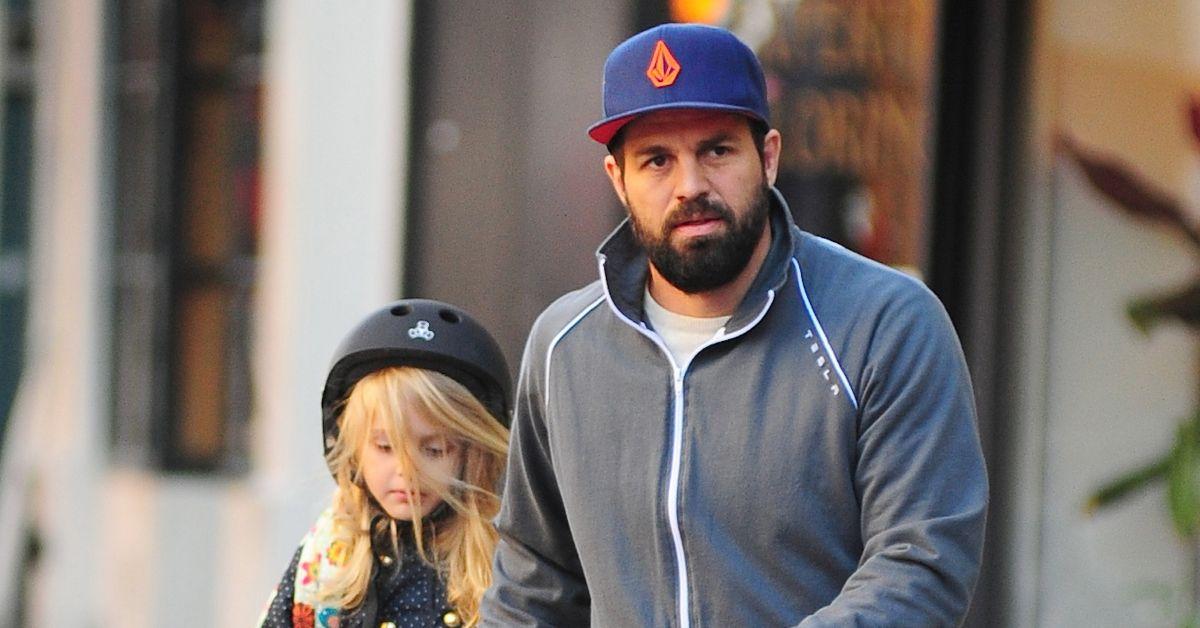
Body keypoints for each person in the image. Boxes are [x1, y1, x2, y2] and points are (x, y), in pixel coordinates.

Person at [481, 23, 988, 627]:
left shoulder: (885, 322)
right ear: (618, 179)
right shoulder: (564, 345)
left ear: (768, 157)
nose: (690, 186)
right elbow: (534, 583)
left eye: (717, 150)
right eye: (657, 161)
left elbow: (920, 564)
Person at [259, 299, 512, 628]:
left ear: (473, 454)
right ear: (353, 448)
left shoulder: (505, 564)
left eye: (433, 450)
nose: (407, 471)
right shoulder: (324, 559)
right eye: (384, 446)